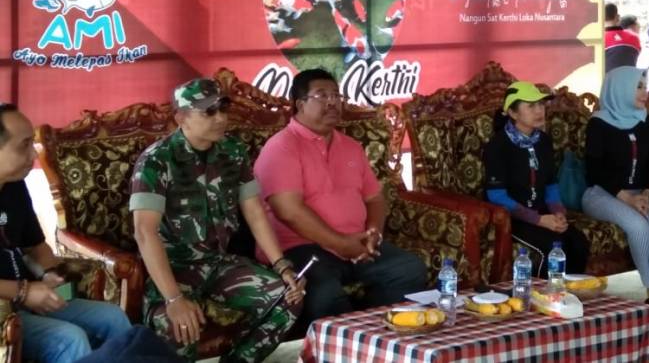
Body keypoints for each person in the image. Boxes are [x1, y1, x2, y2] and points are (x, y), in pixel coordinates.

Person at [130, 79, 304, 363]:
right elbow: (144, 232)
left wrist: (282, 266)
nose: (220, 118)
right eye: (208, 112)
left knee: (286, 298)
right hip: (174, 269)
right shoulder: (156, 160)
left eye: (223, 109)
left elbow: (254, 212)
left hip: (217, 263)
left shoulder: (232, 151)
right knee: (177, 325)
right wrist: (174, 299)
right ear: (181, 117)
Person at [253, 69, 427, 329]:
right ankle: (341, 344)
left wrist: (373, 235)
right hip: (302, 247)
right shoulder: (282, 146)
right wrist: (341, 244)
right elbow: (288, 211)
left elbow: (375, 198)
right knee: (323, 292)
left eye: (336, 95)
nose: (333, 102)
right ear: (300, 104)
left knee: (408, 269)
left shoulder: (350, 146)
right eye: (322, 96)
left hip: (355, 244)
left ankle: (376, 336)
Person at [0, 104, 132, 363]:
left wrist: (49, 274)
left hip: (25, 299)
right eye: (24, 146)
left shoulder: (14, 187)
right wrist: (23, 292)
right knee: (69, 339)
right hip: (5, 309)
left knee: (112, 318)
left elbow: (35, 246)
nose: (33, 155)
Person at [581, 68, 649, 326]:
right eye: (639, 87)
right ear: (620, 89)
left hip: (640, 192)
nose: (645, 92)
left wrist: (645, 193)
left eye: (645, 86)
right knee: (638, 225)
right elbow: (596, 170)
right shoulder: (598, 123)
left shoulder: (646, 121)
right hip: (603, 193)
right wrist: (629, 199)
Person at [485, 82, 589, 277]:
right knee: (551, 248)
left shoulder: (543, 141)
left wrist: (558, 212)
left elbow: (551, 184)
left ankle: (570, 293)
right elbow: (496, 196)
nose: (539, 110)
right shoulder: (498, 146)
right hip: (513, 218)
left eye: (541, 104)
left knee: (578, 243)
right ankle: (541, 295)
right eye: (531, 106)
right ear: (513, 113)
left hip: (542, 212)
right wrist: (538, 220)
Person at [604, 3, 641, 71]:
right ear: (618, 17)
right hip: (630, 77)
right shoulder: (634, 38)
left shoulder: (599, 41)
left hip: (607, 77)